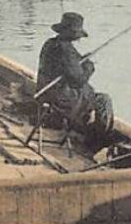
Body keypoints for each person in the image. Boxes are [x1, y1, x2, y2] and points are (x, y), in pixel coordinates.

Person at [36, 11, 114, 141]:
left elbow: (67, 65)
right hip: (60, 99)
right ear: (72, 33)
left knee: (90, 94)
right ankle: (98, 140)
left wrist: (83, 59)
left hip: (44, 92)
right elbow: (78, 80)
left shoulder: (50, 43)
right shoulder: (66, 50)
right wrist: (89, 66)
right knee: (104, 100)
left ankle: (87, 130)